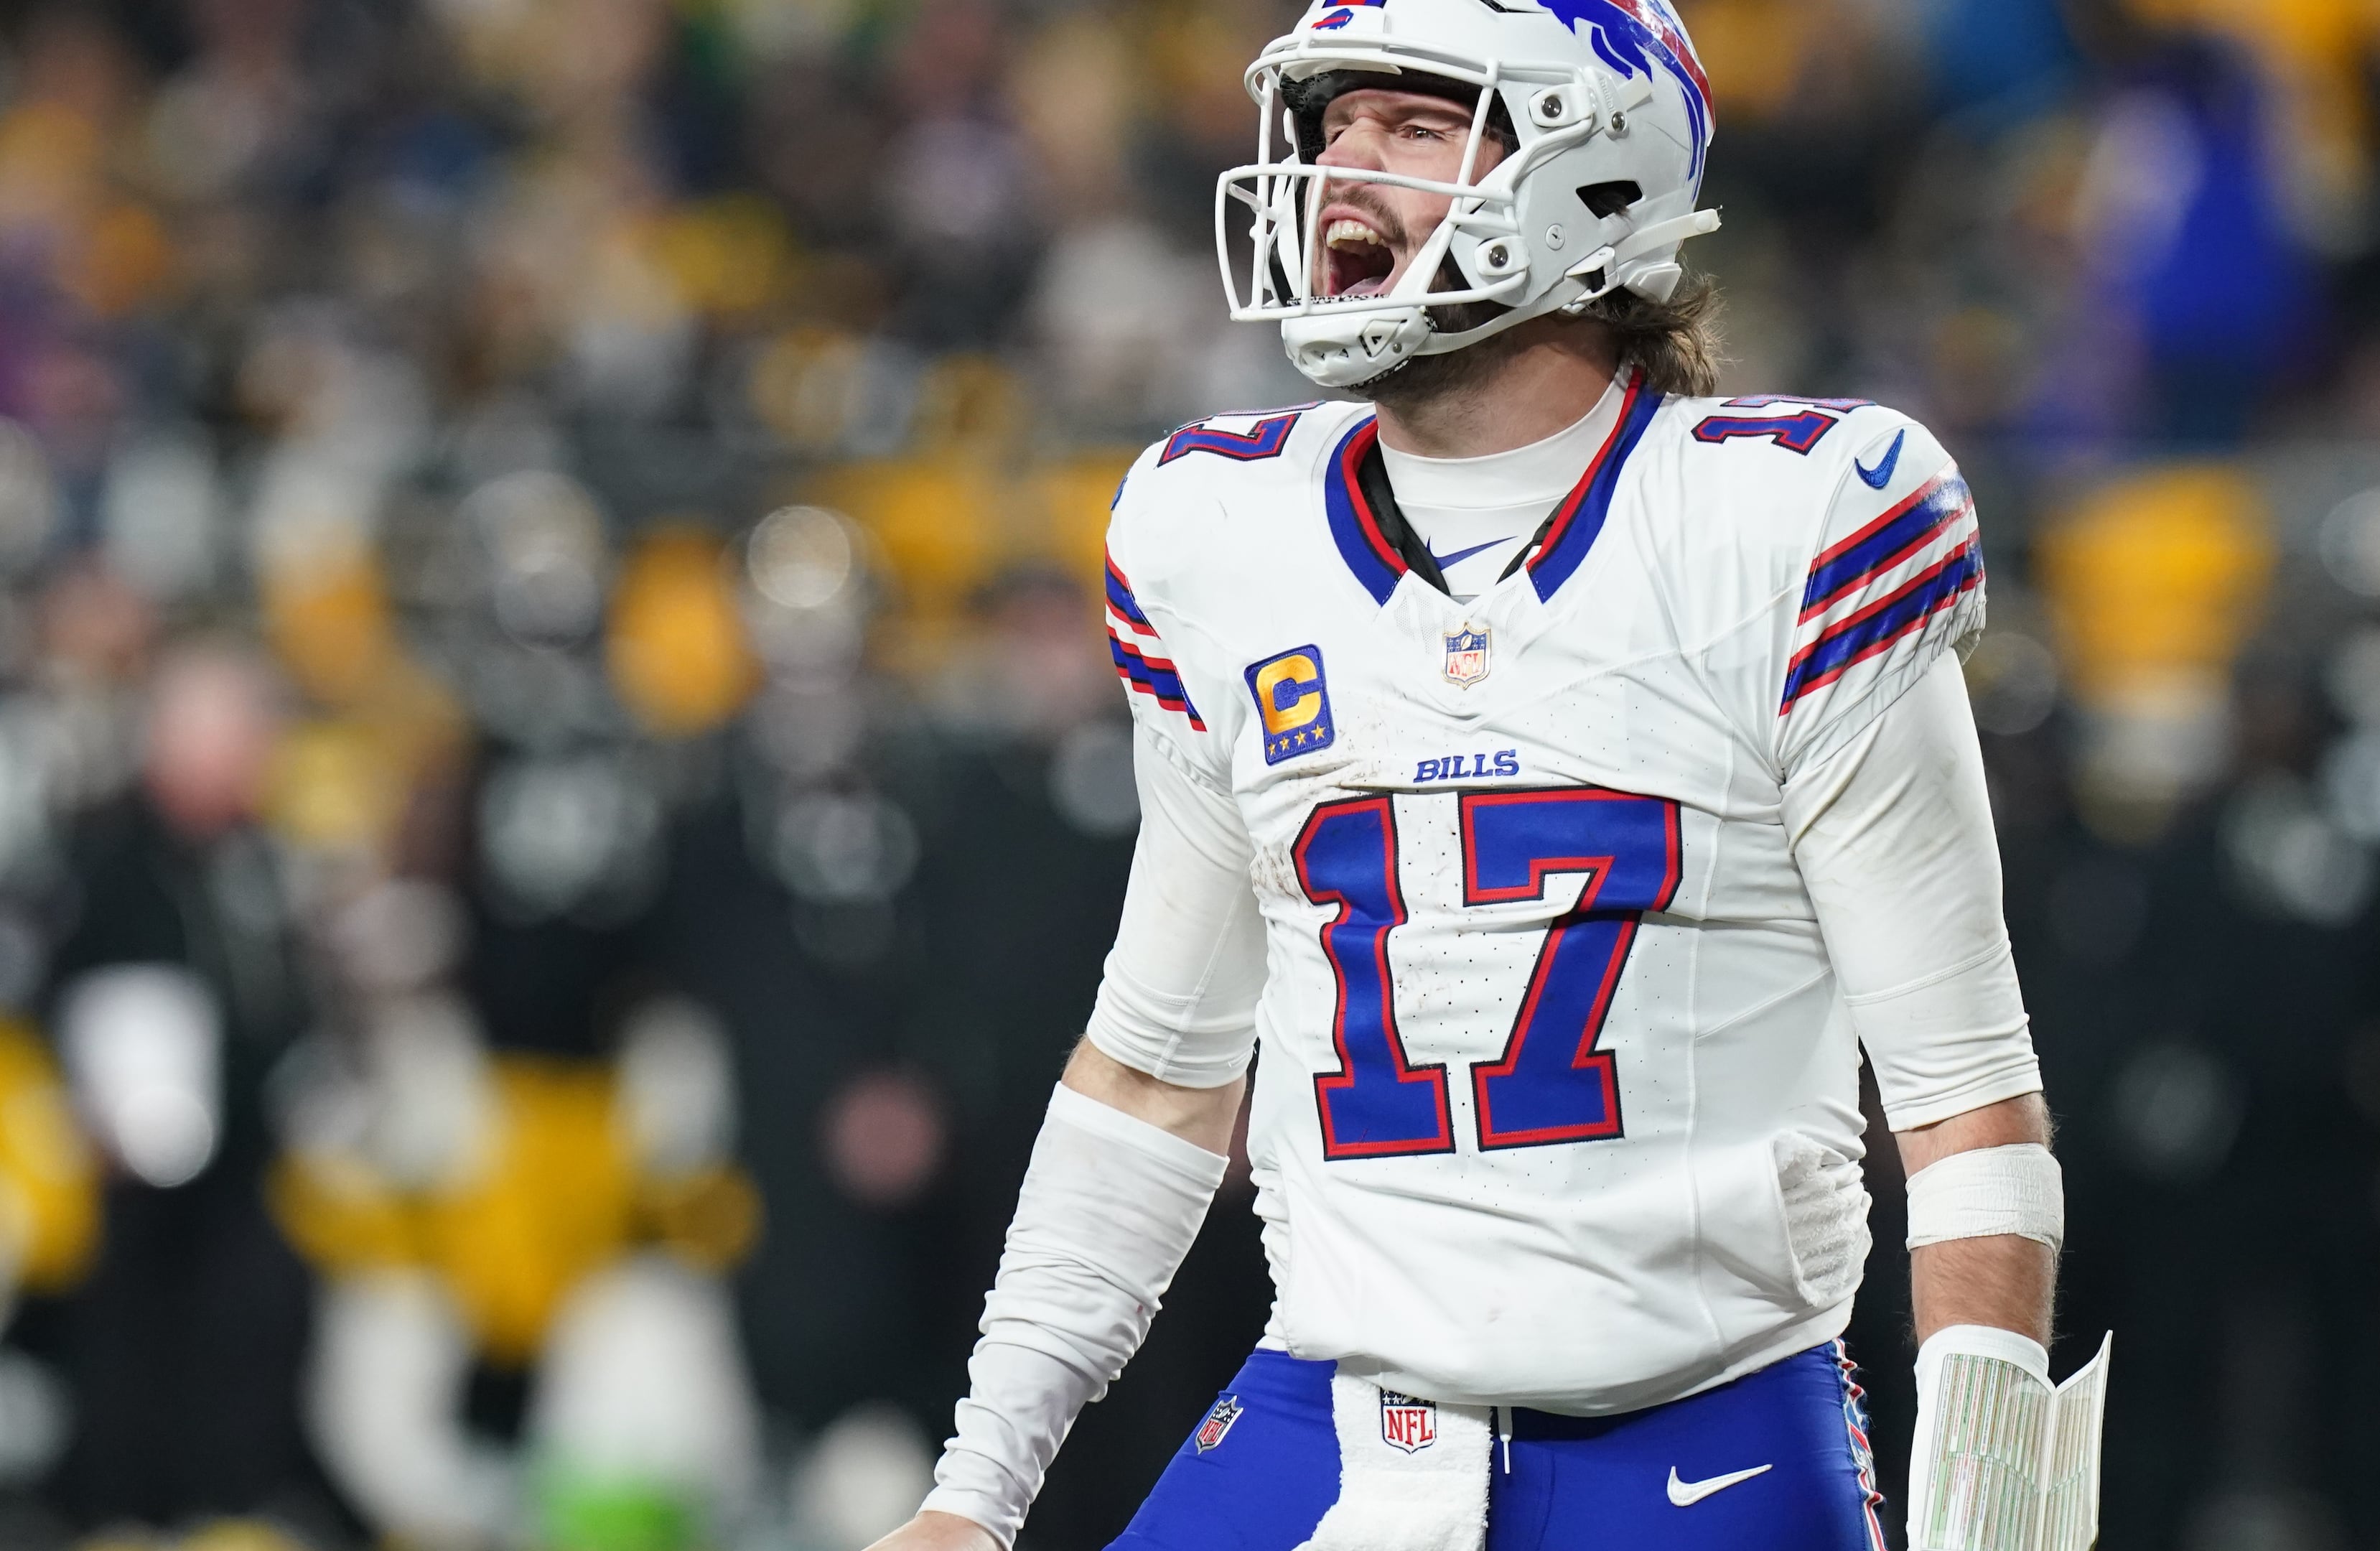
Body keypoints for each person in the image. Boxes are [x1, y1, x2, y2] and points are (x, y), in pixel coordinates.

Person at [875, 1, 2101, 1546]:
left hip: (1694, 1441)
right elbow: (1156, 1072)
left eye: (1411, 125)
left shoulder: (1786, 524)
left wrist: (1992, 1525)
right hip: (1330, 1415)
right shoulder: (1220, 530)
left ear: (1593, 173)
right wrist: (972, 1499)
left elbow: (1966, 1105)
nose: (1338, 175)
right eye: (1328, 133)